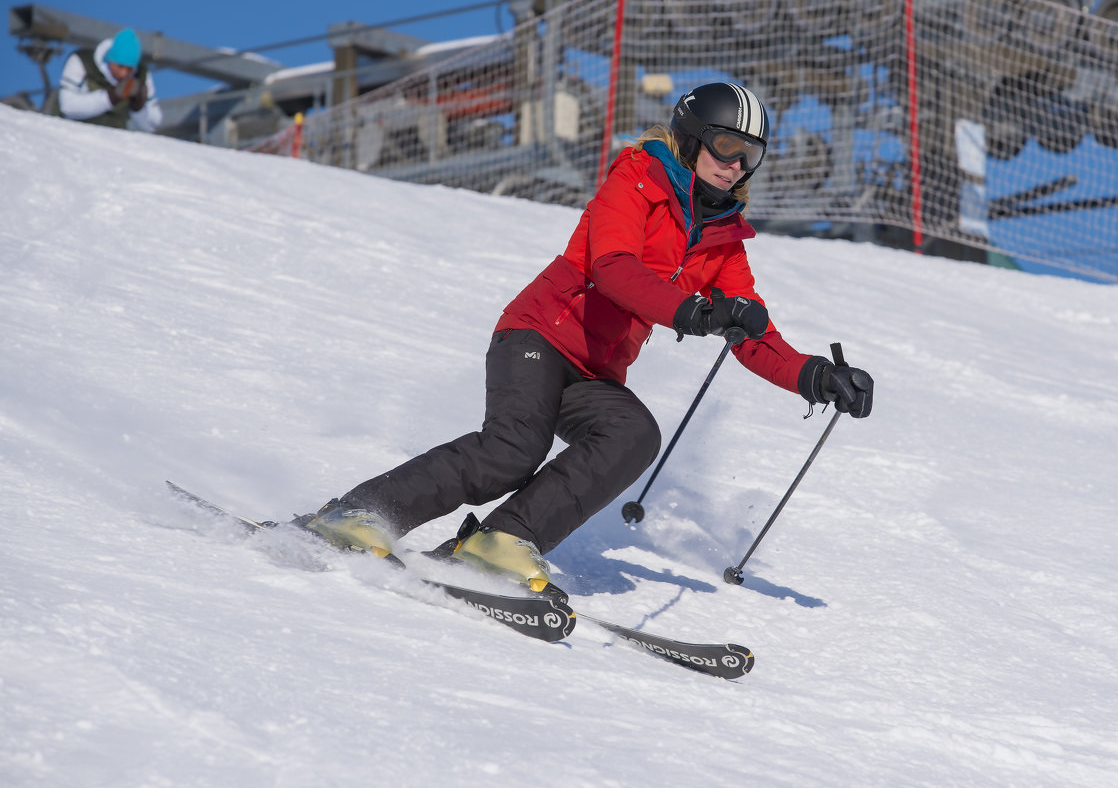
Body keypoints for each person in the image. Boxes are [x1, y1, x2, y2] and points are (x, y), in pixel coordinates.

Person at [303, 82, 874, 599]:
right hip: (539, 334)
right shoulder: (635, 181)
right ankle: (359, 512)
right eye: (726, 146)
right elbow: (614, 269)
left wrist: (816, 376)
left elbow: (753, 334)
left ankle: (501, 541)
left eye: (750, 155)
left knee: (633, 434)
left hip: (596, 371)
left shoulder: (724, 239)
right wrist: (695, 312)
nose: (736, 165)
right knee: (512, 451)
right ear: (692, 138)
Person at [57, 28, 162, 133]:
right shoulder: (82, 62)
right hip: (70, 135)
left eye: (130, 69)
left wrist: (138, 108)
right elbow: (67, 107)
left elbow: (153, 125)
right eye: (120, 66)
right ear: (110, 59)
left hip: (113, 142)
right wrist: (110, 98)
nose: (124, 73)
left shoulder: (141, 75)